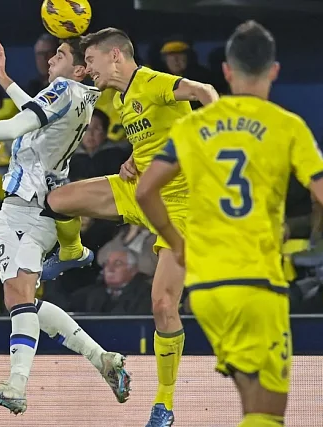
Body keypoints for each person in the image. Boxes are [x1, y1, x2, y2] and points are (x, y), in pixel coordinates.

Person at [135, 21, 323, 427]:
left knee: (253, 407)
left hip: (206, 291)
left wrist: (175, 242)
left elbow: (144, 192)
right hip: (257, 285)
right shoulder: (286, 125)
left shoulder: (191, 126)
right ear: (274, 71)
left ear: (227, 72)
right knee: (269, 414)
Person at [0, 37, 130, 415]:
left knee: (17, 298)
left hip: (25, 208)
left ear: (79, 68)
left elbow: (17, 127)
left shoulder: (63, 88)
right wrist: (4, 79)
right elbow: (35, 116)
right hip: (43, 208)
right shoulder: (81, 95)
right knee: (23, 299)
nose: (51, 59)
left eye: (60, 55)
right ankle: (103, 359)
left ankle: (17, 384)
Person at [39, 28, 218, 426]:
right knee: (58, 201)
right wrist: (134, 159)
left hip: (181, 207)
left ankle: (164, 404)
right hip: (138, 191)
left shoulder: (152, 82)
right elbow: (154, 139)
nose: (89, 68)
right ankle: (72, 253)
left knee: (162, 305)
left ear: (115, 55)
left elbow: (206, 92)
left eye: (93, 60)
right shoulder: (120, 98)